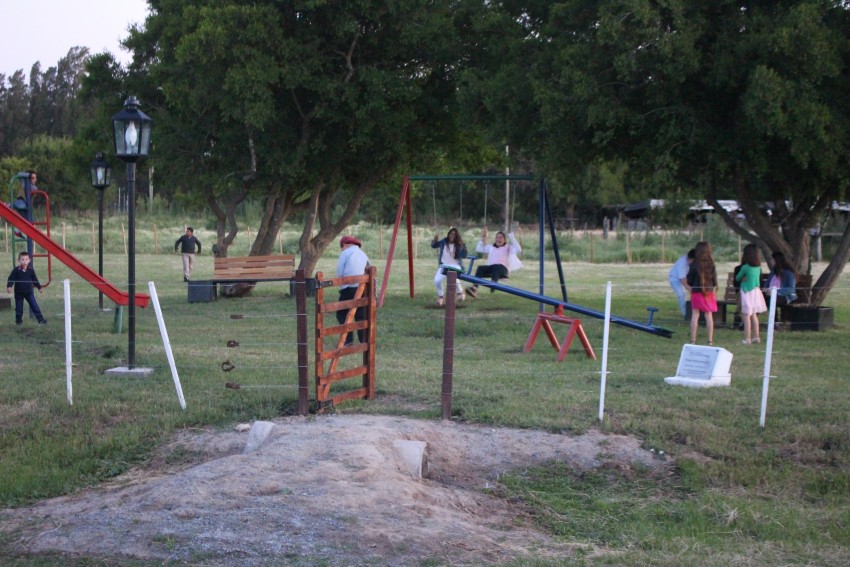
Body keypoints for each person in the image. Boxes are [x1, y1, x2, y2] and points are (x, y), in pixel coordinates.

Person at [465, 228, 522, 298]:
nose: (498, 239)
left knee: (497, 266)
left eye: (500, 238)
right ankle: (474, 288)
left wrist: (511, 236)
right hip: (493, 269)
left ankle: (493, 284)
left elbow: (519, 249)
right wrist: (483, 238)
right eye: (497, 237)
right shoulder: (491, 247)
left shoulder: (508, 247)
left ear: (504, 240)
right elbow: (479, 249)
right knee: (480, 268)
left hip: (503, 269)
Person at [336, 235, 371, 345]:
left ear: (345, 244)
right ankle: (364, 341)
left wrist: (341, 284)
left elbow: (340, 272)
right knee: (361, 314)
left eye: (341, 246)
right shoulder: (363, 254)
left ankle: (348, 340)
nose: (341, 249)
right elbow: (369, 268)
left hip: (348, 287)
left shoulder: (345, 253)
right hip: (362, 287)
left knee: (342, 313)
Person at [686, 241, 718, 345]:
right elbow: (714, 280)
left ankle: (693, 340)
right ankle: (710, 340)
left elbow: (689, 280)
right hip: (708, 293)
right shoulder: (711, 264)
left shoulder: (694, 264)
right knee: (709, 316)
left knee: (695, 315)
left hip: (696, 292)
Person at [735, 244, 767, 344]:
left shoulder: (745, 267)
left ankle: (747, 338)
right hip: (756, 292)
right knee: (754, 314)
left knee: (746, 315)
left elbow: (738, 278)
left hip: (746, 292)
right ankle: (756, 337)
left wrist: (743, 279)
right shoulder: (758, 268)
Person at [6, 251, 47, 326]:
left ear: (29, 260)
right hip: (18, 293)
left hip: (29, 293)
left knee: (35, 306)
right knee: (19, 309)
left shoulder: (31, 270)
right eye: (22, 259)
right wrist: (9, 286)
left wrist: (39, 287)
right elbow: (11, 278)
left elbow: (35, 279)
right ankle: (19, 322)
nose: (24, 261)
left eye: (26, 259)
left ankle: (41, 320)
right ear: (19, 260)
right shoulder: (16, 270)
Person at [431, 228, 467, 306]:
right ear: (448, 234)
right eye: (451, 234)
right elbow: (434, 246)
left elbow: (464, 255)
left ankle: (460, 292)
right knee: (437, 280)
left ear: (456, 236)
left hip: (456, 265)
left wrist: (463, 245)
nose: (452, 236)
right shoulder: (444, 242)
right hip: (444, 265)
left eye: (454, 235)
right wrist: (435, 240)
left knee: (453, 277)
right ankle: (441, 296)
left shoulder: (459, 244)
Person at [668, 248, 695, 317]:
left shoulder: (690, 261)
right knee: (681, 295)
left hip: (684, 277)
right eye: (693, 261)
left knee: (687, 294)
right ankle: (685, 313)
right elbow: (682, 278)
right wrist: (688, 287)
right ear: (690, 259)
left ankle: (692, 311)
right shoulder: (682, 263)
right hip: (675, 279)